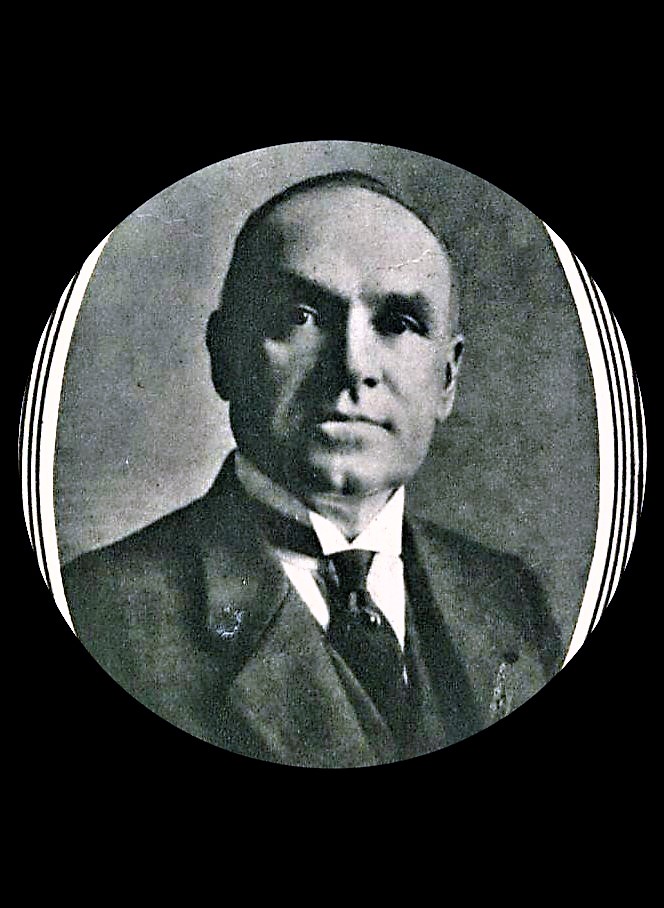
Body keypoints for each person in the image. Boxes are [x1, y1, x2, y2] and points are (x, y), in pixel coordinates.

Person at [62, 170, 562, 768]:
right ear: (225, 355)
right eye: (301, 315)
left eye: (398, 323)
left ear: (447, 379)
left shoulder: (507, 596)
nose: (353, 366)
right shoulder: (104, 609)